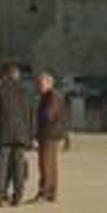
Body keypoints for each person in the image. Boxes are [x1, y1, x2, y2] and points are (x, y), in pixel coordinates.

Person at [0, 63, 31, 207]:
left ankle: (0, 197)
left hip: (2, 135)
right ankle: (18, 197)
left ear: (5, 75)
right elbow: (29, 115)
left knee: (1, 167)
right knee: (18, 167)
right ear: (17, 75)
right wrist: (29, 134)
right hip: (21, 135)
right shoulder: (24, 91)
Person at [32, 72, 66, 203]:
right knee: (50, 164)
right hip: (50, 134)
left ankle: (45, 193)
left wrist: (44, 116)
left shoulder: (52, 96)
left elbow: (49, 114)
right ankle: (50, 192)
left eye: (41, 83)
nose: (38, 86)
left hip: (49, 134)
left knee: (45, 164)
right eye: (38, 83)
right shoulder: (47, 96)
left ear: (49, 83)